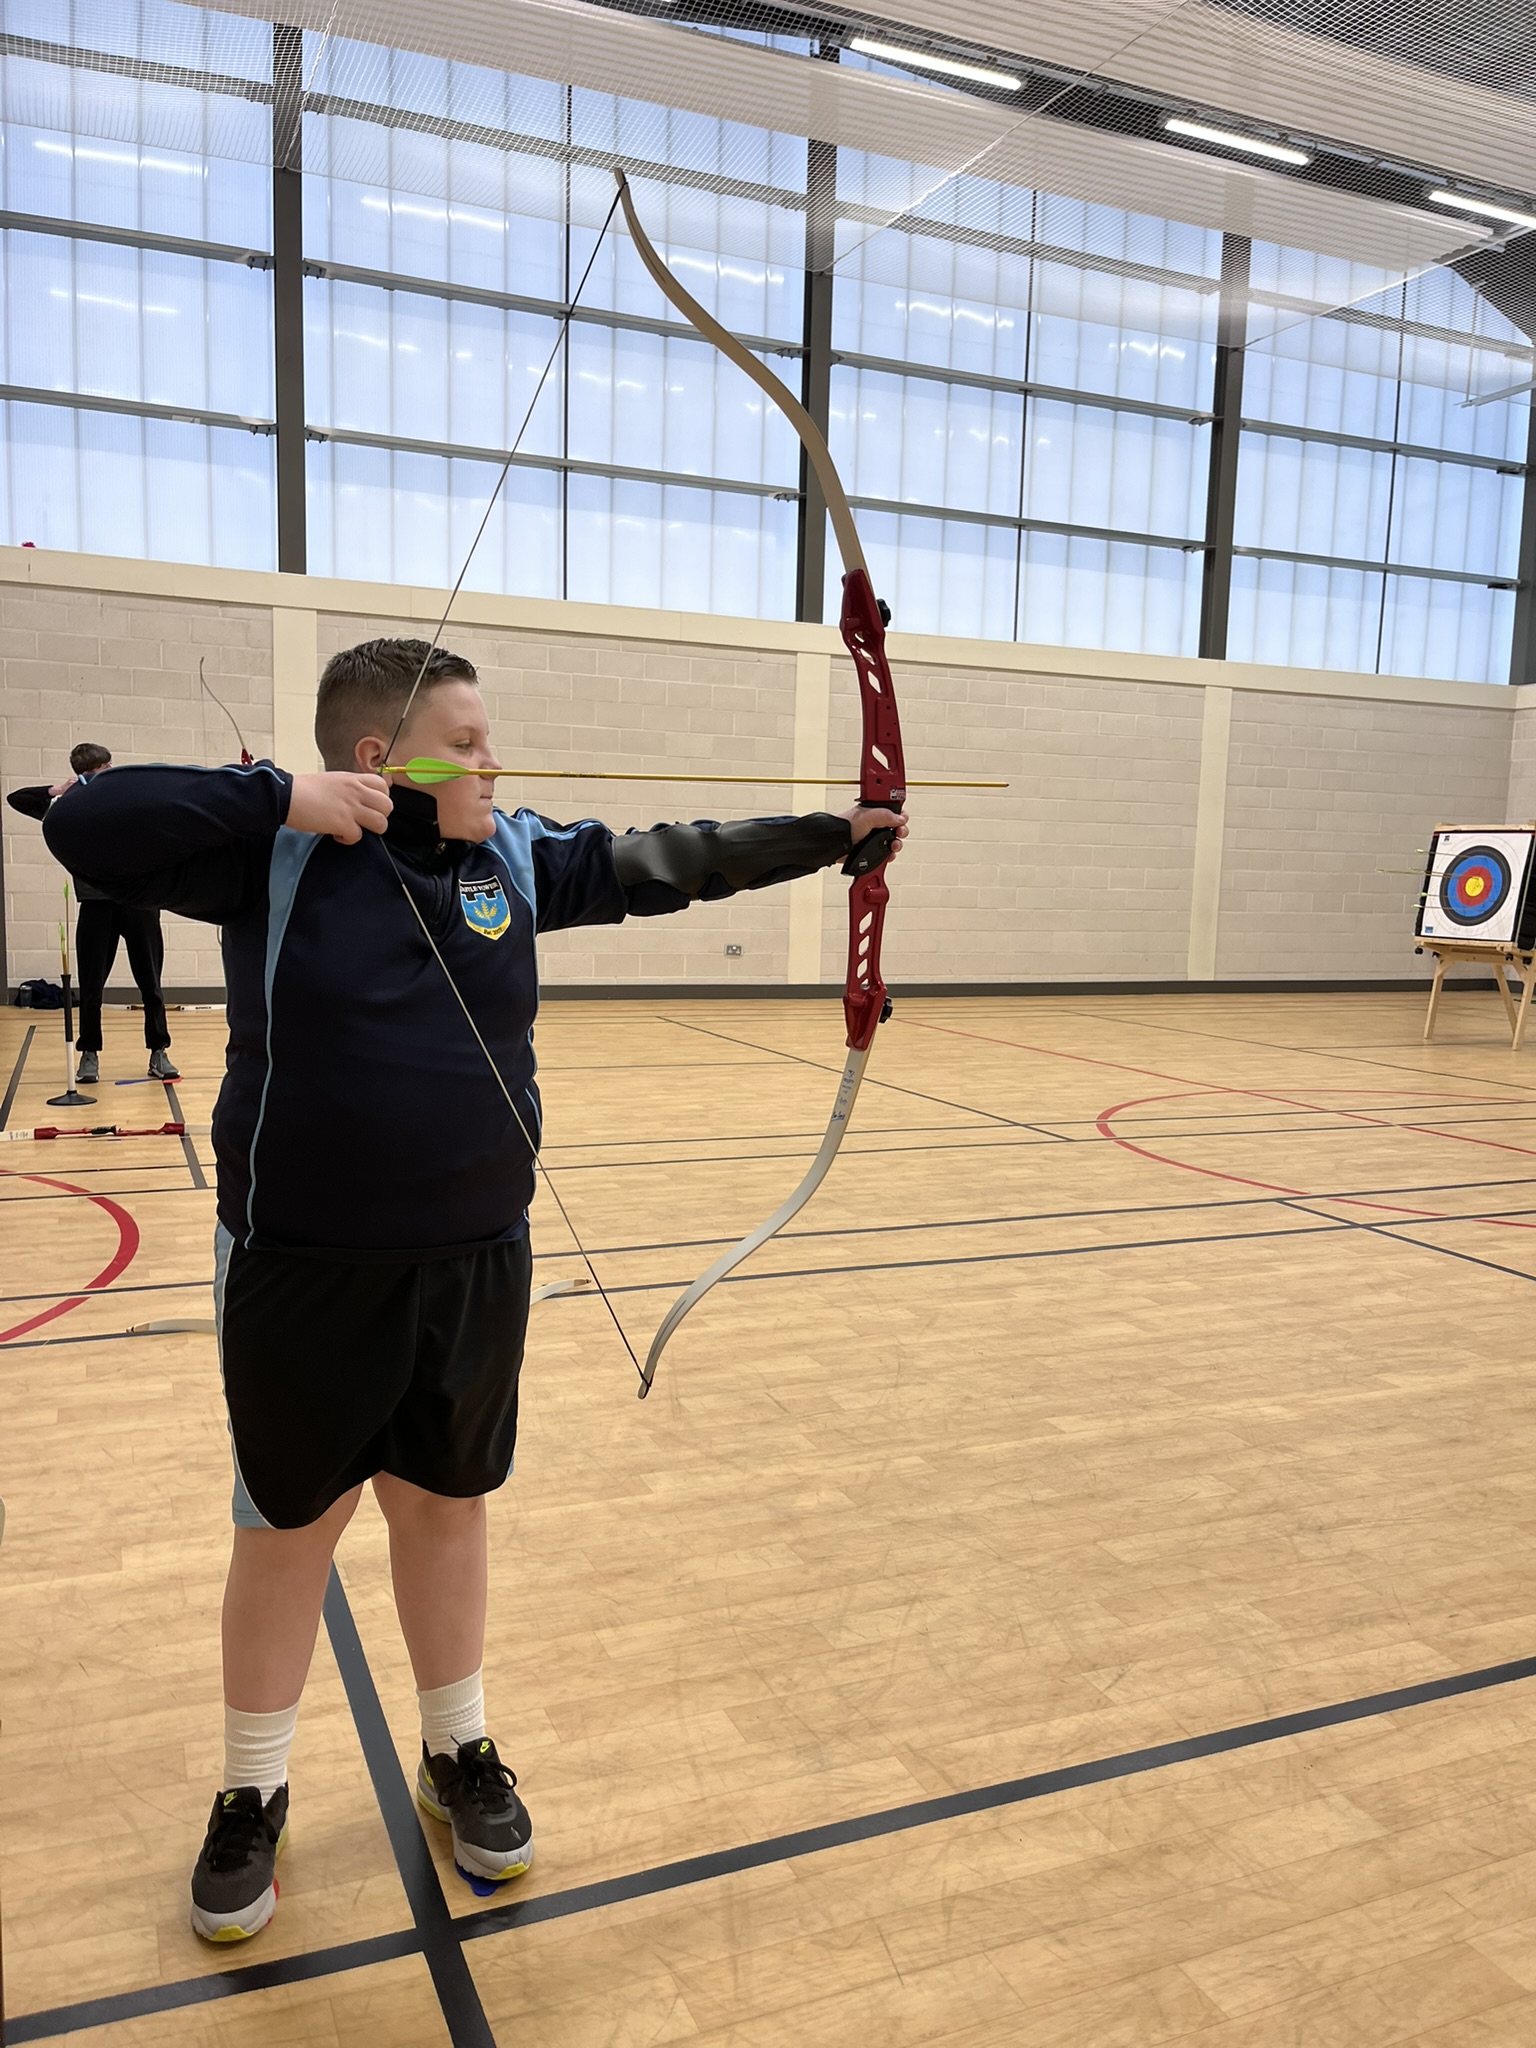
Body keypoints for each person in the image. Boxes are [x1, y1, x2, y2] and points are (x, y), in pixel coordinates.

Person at [43, 636, 908, 1944]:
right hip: (302, 1265)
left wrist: (830, 835)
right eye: (474, 736)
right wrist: (283, 793)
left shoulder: (515, 854)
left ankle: (459, 1752)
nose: (498, 758)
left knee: (447, 1507)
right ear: (388, 756)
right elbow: (90, 826)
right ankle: (251, 1788)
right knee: (289, 1526)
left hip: (474, 1258)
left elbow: (669, 858)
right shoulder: (271, 858)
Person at [7, 741, 179, 1084]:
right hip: (96, 906)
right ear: (83, 777)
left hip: (138, 903)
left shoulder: (129, 800)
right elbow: (18, 799)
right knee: (91, 987)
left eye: (107, 770)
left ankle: (159, 1051)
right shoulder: (70, 805)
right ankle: (89, 1054)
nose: (105, 778)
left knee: (150, 983)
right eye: (96, 774)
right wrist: (58, 790)